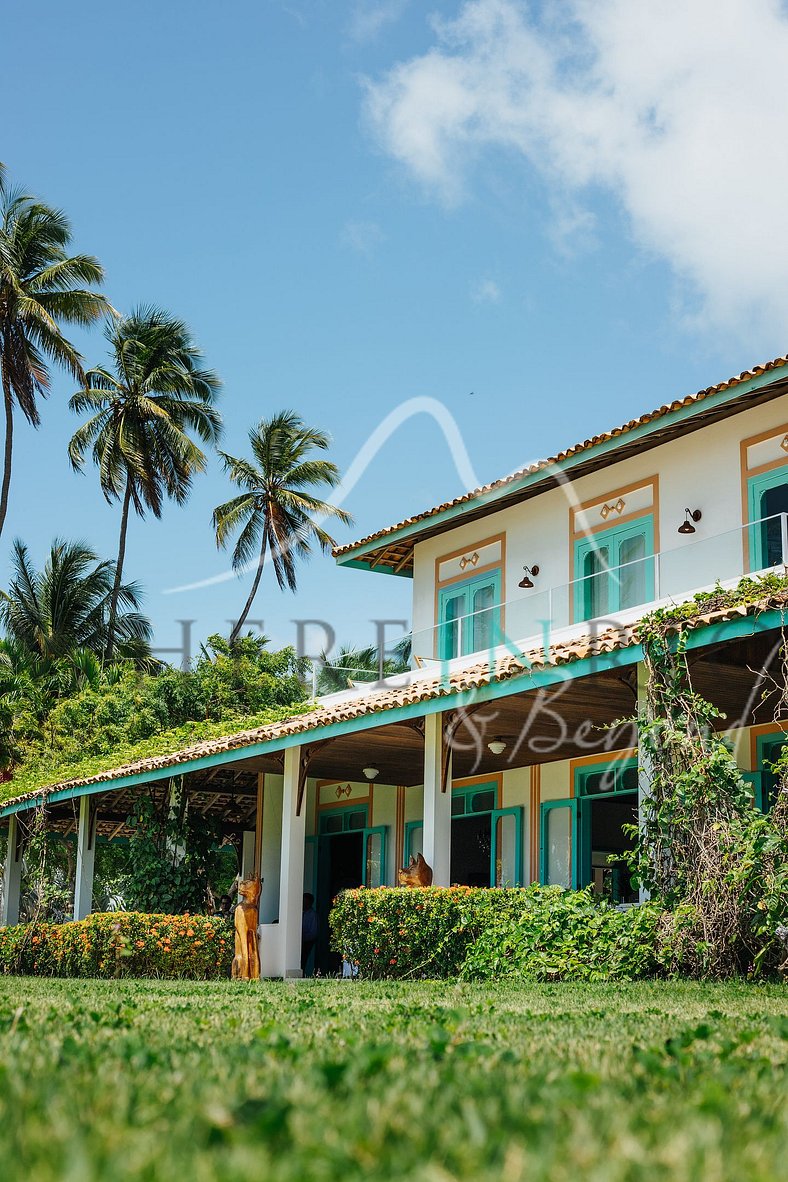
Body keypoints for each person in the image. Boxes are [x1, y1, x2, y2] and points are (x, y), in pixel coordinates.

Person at [301, 893, 318, 976]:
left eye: (305, 902)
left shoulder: (312, 915)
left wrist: (303, 938)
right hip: (298, 940)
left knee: (303, 959)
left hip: (307, 941)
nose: (303, 903)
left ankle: (302, 974)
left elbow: (313, 932)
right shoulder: (299, 912)